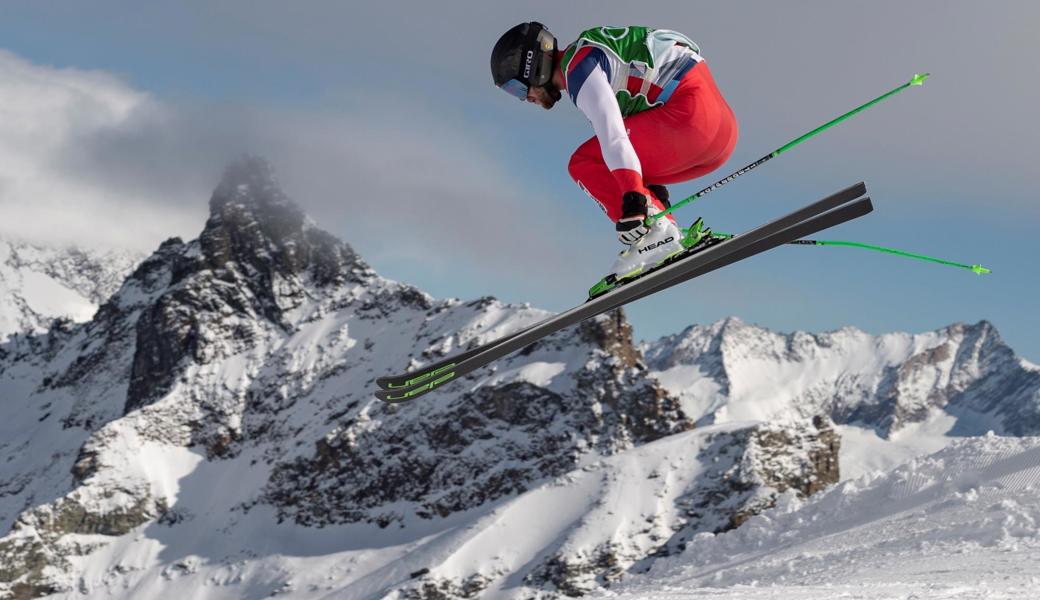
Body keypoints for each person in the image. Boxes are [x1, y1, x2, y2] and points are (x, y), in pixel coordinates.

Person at [490, 23, 738, 281]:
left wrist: (633, 203)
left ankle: (657, 236)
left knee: (585, 162)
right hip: (720, 137)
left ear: (534, 67)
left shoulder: (579, 69)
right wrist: (651, 197)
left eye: (518, 89)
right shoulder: (594, 55)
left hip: (691, 123)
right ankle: (664, 233)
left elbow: (614, 136)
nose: (524, 99)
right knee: (614, 164)